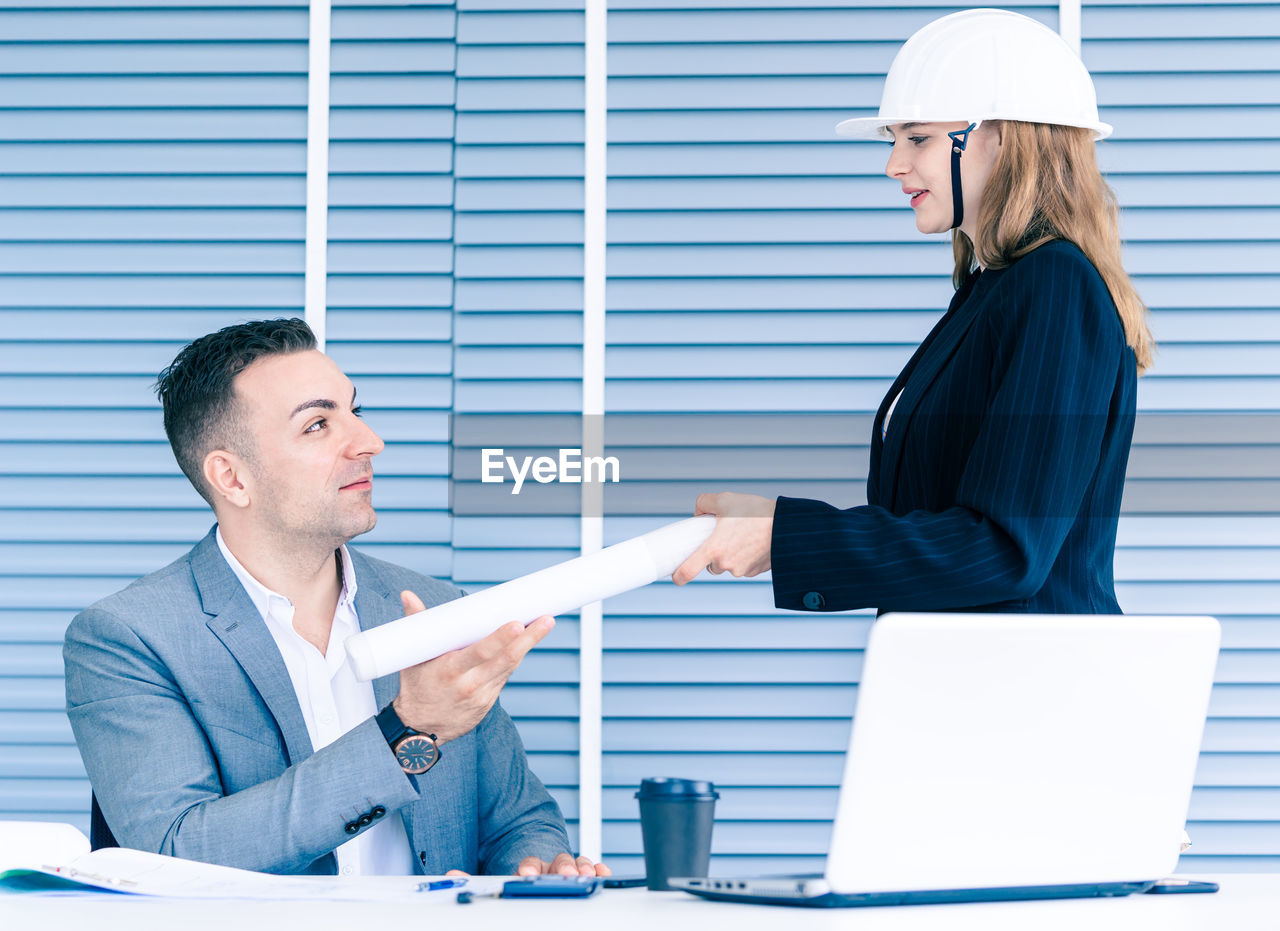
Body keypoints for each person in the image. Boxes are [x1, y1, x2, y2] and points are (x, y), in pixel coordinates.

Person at [64, 318, 610, 878]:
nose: (370, 442)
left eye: (356, 410)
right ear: (231, 478)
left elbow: (518, 820)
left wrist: (537, 865)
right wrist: (405, 729)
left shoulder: (439, 608)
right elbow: (176, 855)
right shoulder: (127, 637)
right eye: (319, 424)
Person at [674, 9, 1152, 616]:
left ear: (1005, 136)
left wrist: (786, 537)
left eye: (918, 138)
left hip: (1029, 692)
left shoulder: (1055, 287)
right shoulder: (992, 291)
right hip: (964, 683)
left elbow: (1005, 550)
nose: (893, 164)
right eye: (893, 140)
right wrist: (780, 529)